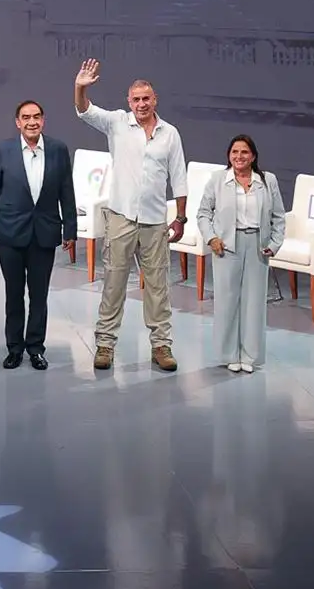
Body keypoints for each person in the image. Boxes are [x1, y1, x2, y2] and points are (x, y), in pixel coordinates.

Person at [74, 58, 189, 372]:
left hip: (155, 222)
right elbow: (84, 110)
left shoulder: (170, 134)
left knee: (158, 287)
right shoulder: (116, 123)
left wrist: (180, 217)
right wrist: (80, 87)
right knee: (114, 284)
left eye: (146, 98)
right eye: (136, 99)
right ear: (129, 102)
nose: (141, 104)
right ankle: (105, 345)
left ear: (155, 100)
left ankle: (161, 346)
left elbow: (179, 177)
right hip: (121, 218)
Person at [0, 100, 77, 370]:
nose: (32, 122)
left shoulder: (58, 149)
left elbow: (66, 191)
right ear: (18, 122)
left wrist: (70, 229)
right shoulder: (4, 149)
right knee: (13, 294)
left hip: (44, 233)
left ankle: (35, 348)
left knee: (39, 295)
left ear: (43, 120)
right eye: (26, 117)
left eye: (36, 117)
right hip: (10, 232)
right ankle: (14, 348)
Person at [196, 135, 286, 374]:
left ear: (253, 156)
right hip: (226, 246)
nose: (239, 157)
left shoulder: (267, 181)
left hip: (257, 245)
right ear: (229, 155)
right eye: (234, 152)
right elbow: (203, 213)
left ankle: (250, 355)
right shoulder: (217, 180)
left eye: (244, 152)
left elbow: (279, 216)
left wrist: (275, 244)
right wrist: (212, 238)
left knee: (254, 303)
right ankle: (229, 355)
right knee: (227, 302)